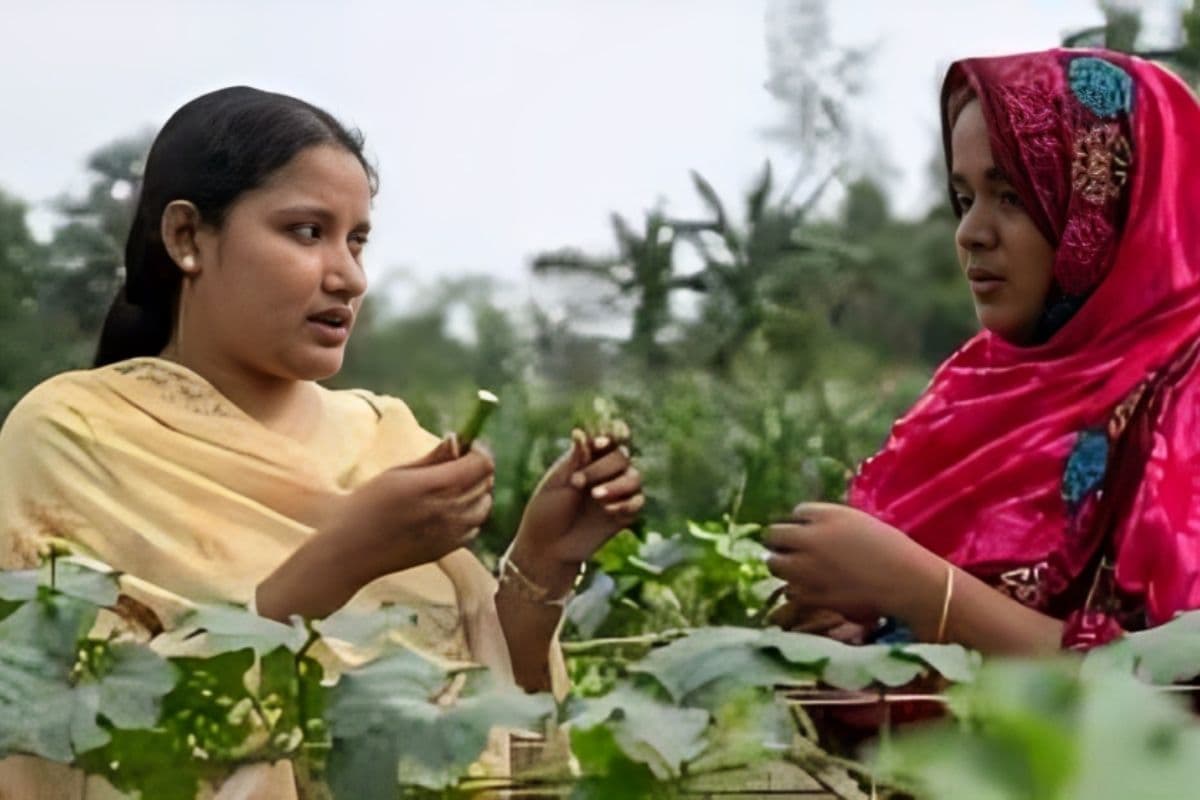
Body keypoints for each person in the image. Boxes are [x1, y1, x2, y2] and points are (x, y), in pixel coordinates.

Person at [0, 87, 643, 796]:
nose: (348, 276)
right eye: (307, 232)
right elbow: (98, 734)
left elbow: (489, 715)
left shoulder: (388, 438)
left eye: (357, 239)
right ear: (187, 238)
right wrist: (345, 557)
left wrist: (543, 562)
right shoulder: (75, 435)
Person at [766, 48, 1200, 655]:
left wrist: (918, 590)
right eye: (964, 198)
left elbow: (1173, 689)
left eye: (1013, 196)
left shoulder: (1186, 393)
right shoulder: (978, 390)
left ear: (1106, 206)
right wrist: (861, 624)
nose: (971, 232)